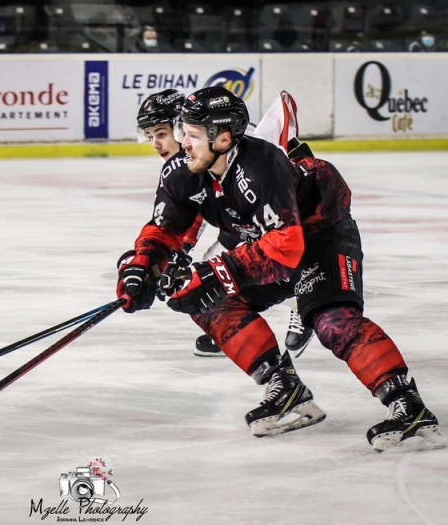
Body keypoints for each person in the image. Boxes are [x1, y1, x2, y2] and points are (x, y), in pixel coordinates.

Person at [116, 86, 446, 452]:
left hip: (320, 234)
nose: (177, 143)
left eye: (187, 135)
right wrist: (142, 266)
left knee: (331, 320)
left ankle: (409, 407)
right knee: (199, 297)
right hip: (270, 241)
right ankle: (285, 388)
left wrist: (217, 270)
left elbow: (285, 247)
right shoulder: (185, 169)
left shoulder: (259, 163)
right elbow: (165, 230)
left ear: (221, 138)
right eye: (178, 133)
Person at [134, 89, 314, 359]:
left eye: (161, 134)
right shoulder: (196, 148)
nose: (156, 145)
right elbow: (196, 201)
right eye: (150, 136)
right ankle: (234, 326)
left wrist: (183, 250)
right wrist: (180, 249)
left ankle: (304, 301)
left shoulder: (234, 143)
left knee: (234, 267)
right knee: (214, 263)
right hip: (243, 219)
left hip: (282, 219)